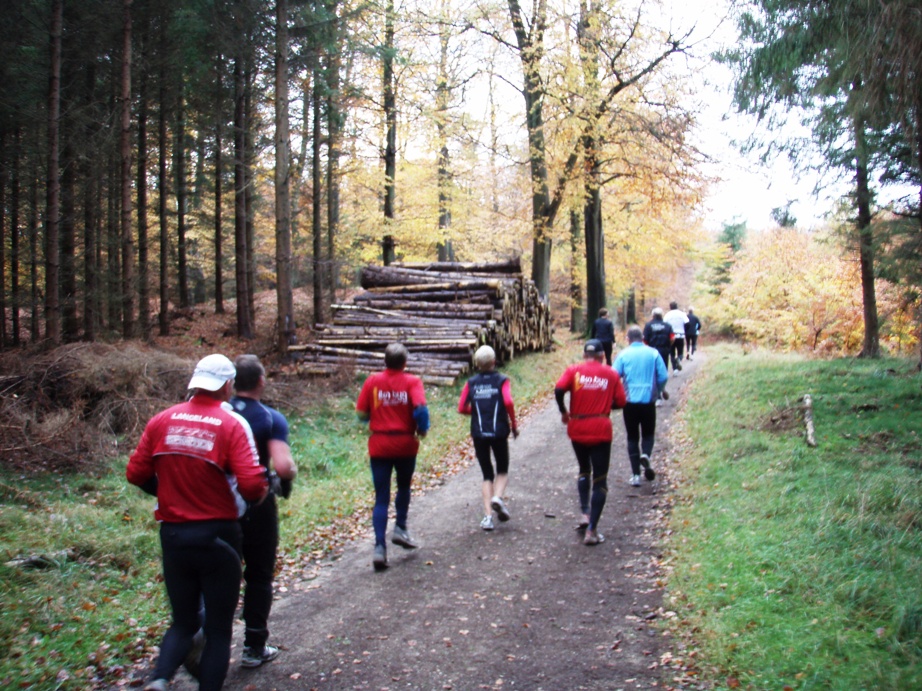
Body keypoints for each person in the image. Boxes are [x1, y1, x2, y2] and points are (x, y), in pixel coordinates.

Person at [127, 354, 268, 691]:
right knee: (218, 628)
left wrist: (169, 493)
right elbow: (250, 485)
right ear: (226, 385)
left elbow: (135, 473)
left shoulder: (161, 420)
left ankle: (159, 679)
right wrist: (261, 491)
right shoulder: (232, 424)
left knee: (183, 621)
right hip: (218, 537)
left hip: (174, 535)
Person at [230, 354, 298, 669]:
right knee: (258, 574)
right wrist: (286, 480)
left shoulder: (220, 412)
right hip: (256, 503)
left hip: (218, 505)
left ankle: (207, 638)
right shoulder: (270, 418)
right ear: (261, 381)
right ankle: (254, 646)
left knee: (223, 573)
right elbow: (283, 465)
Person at [356, 343, 430, 571]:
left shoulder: (372, 381)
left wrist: (375, 415)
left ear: (385, 361)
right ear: (405, 362)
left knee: (381, 497)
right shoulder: (411, 382)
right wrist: (423, 428)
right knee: (404, 487)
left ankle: (379, 547)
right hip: (405, 444)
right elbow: (420, 408)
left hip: (379, 445)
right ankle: (400, 527)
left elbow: (360, 414)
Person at [554, 339, 627, 546]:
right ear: (602, 355)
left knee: (584, 469)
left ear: (585, 354)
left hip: (577, 427)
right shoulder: (611, 373)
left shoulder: (574, 370)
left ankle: (585, 513)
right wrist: (604, 403)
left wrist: (563, 411)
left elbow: (559, 390)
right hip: (600, 429)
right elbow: (621, 401)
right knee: (600, 480)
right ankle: (592, 531)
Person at [458, 345, 519, 531]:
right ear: (494, 361)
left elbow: (461, 407)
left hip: (479, 432)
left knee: (486, 474)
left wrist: (476, 413)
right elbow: (508, 401)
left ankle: (487, 518)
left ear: (477, 364)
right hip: (499, 431)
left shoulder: (471, 382)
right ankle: (498, 498)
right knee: (502, 469)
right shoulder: (502, 380)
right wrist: (514, 424)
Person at [614, 326, 669, 487]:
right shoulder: (653, 353)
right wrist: (658, 390)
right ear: (643, 338)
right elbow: (664, 376)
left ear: (627, 339)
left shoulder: (623, 354)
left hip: (629, 402)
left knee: (632, 437)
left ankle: (635, 475)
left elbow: (613, 375)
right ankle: (645, 454)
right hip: (648, 401)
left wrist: (617, 394)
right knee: (648, 434)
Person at [642, 307, 674, 377]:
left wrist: (648, 346)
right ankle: (662, 385)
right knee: (664, 367)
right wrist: (668, 345)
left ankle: (654, 384)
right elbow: (672, 338)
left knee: (653, 368)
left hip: (652, 350)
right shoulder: (668, 326)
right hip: (664, 349)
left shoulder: (648, 325)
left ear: (653, 315)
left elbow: (644, 339)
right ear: (662, 315)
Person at [663, 301, 689, 372]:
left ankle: (674, 369)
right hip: (680, 335)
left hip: (671, 336)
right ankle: (679, 359)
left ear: (670, 307)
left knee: (672, 353)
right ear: (677, 306)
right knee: (680, 352)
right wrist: (684, 330)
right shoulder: (682, 314)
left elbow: (664, 325)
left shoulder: (667, 315)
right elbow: (687, 323)